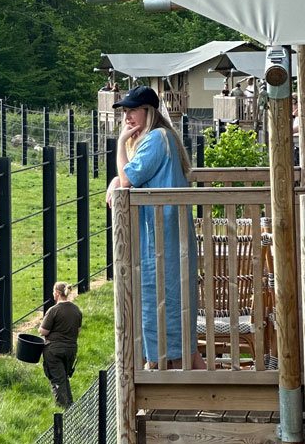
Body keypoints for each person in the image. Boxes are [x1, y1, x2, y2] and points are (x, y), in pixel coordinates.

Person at [105, 85, 206, 370]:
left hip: (160, 236)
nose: (127, 117)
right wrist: (116, 181)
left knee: (159, 297)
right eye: (124, 112)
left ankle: (161, 367)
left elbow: (128, 179)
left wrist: (120, 144)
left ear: (148, 112)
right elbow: (127, 179)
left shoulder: (155, 139)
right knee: (171, 300)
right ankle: (185, 373)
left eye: (132, 110)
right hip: (166, 234)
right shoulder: (163, 138)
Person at [38, 281, 83, 408]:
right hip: (71, 349)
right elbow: (77, 330)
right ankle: (70, 405)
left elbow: (44, 331)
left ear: (57, 293)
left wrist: (39, 329)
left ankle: (62, 408)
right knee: (64, 377)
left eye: (53, 292)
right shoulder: (76, 310)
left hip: (54, 350)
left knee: (57, 379)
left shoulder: (54, 310)